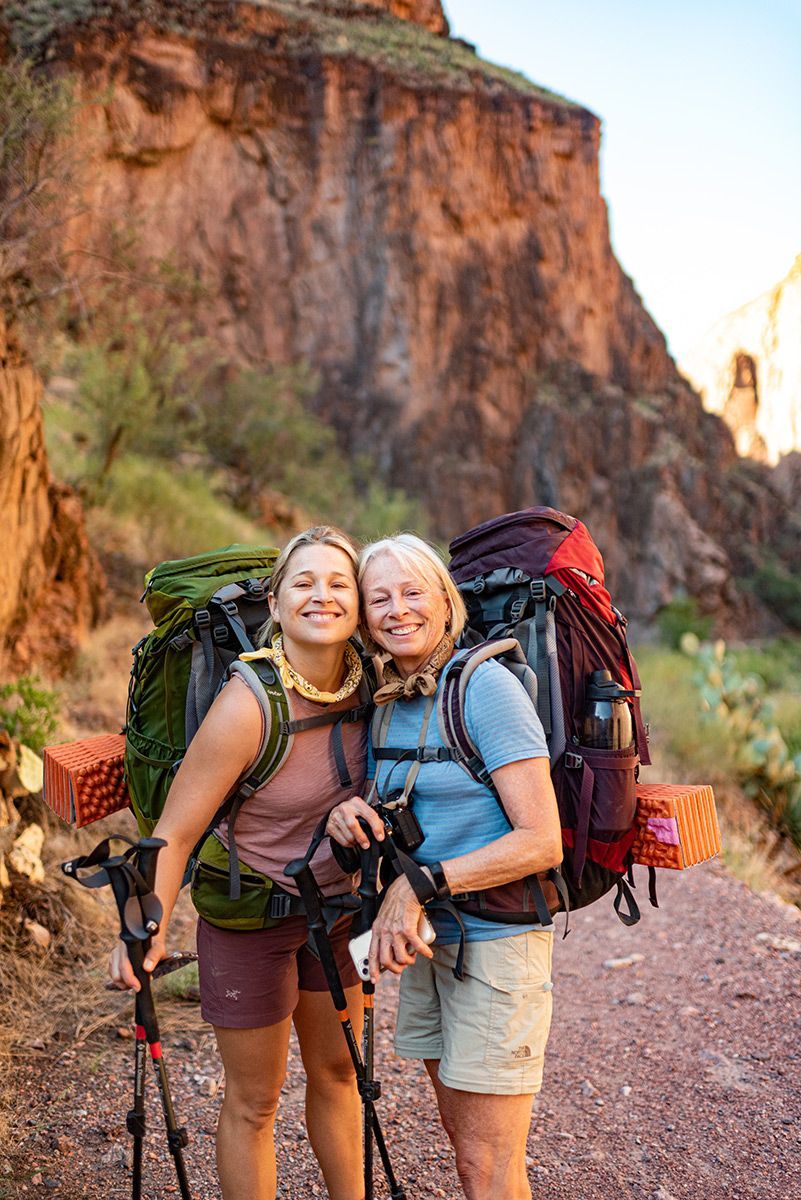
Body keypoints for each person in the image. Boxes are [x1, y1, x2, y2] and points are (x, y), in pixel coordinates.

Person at [109, 526, 369, 1200]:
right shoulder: (246, 704)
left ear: (359, 603)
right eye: (304, 583)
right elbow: (176, 830)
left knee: (341, 1076)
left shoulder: (375, 686)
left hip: (337, 911)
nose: (323, 596)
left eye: (339, 583)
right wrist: (144, 928)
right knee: (255, 1101)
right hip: (249, 914)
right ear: (276, 605)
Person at [327, 533, 563, 1200]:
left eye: (411, 592)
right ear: (364, 618)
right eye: (379, 599)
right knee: (469, 1156)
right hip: (434, 945)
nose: (397, 610)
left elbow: (541, 839)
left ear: (443, 600)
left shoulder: (484, 688)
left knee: (486, 1165)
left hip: (496, 944)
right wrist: (348, 820)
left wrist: (418, 885)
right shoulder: (388, 699)